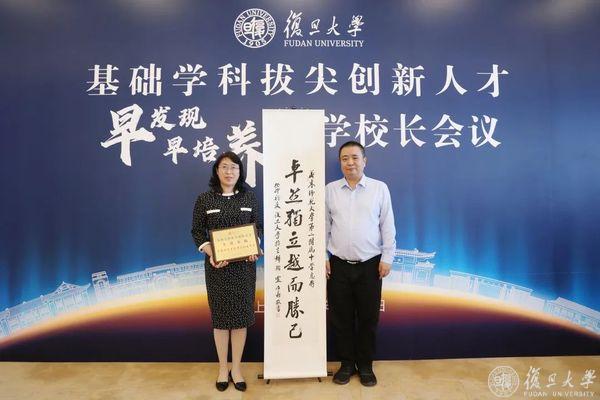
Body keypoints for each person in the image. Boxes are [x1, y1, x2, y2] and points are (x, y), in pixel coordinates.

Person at [325, 141, 396, 387]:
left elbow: (387, 225)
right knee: (341, 318)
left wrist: (387, 257)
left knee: (368, 318)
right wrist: (323, 257)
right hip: (338, 266)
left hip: (370, 265)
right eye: (345, 158)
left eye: (355, 157)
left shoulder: (379, 188)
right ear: (340, 163)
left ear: (364, 161)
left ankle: (365, 366)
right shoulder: (330, 190)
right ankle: (346, 364)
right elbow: (323, 226)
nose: (350, 162)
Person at [191, 151, 261, 392]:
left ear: (240, 171)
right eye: (224, 167)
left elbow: (258, 227)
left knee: (240, 320)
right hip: (217, 268)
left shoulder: (249, 197)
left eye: (234, 167)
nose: (229, 171)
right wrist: (210, 251)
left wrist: (255, 247)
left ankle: (236, 369)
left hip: (244, 268)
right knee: (221, 321)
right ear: (217, 171)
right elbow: (197, 231)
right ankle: (223, 368)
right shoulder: (205, 199)